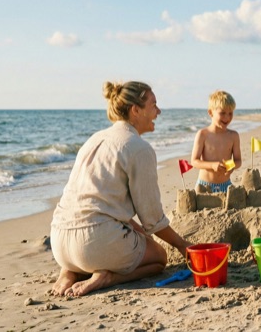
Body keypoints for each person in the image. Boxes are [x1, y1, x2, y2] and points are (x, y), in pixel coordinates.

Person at [50, 81, 192, 297]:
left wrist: (140, 231)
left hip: (59, 242)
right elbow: (152, 218)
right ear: (135, 110)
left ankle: (69, 272)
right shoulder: (139, 148)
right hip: (93, 243)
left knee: (136, 236)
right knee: (159, 258)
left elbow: (99, 202)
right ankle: (108, 277)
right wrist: (183, 245)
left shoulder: (94, 139)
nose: (159, 111)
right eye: (154, 105)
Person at [190, 90, 242, 193]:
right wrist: (212, 165)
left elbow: (238, 161)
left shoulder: (233, 136)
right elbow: (194, 162)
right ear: (210, 112)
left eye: (230, 113)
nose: (227, 117)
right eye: (222, 113)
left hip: (225, 185)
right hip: (204, 185)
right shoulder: (203, 135)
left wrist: (231, 166)